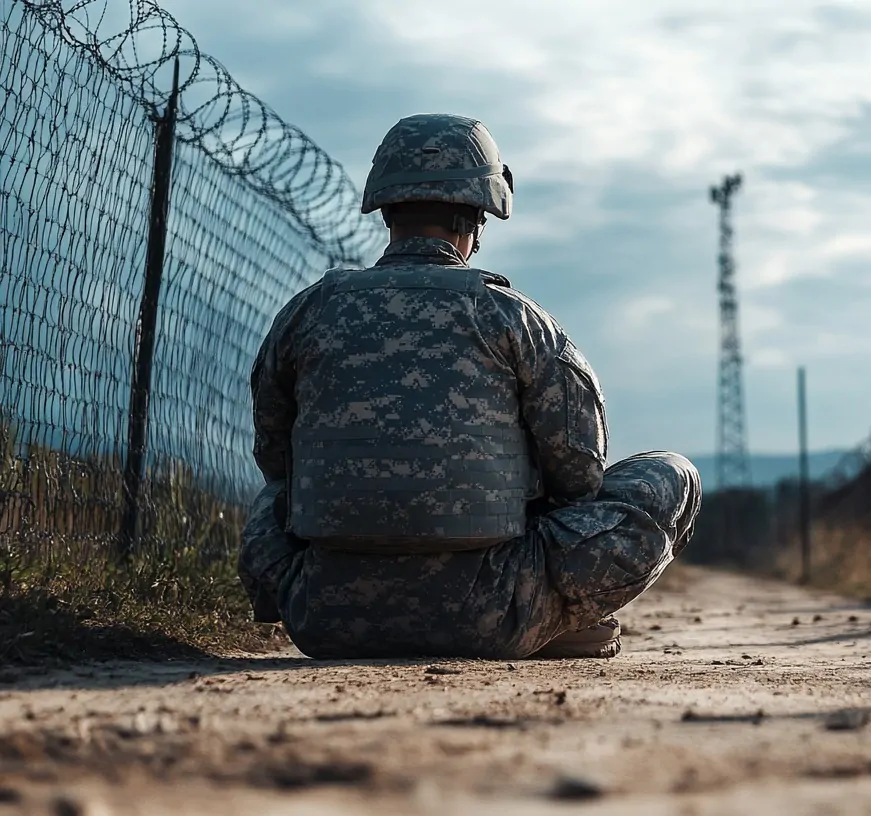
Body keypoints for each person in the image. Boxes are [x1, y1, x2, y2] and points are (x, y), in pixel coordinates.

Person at [236, 113, 700, 660]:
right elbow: (579, 473)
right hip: (491, 613)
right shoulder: (514, 318)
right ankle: (558, 620)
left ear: (386, 210)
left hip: (324, 615)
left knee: (276, 496)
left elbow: (275, 457)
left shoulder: (307, 311)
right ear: (479, 216)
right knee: (673, 475)